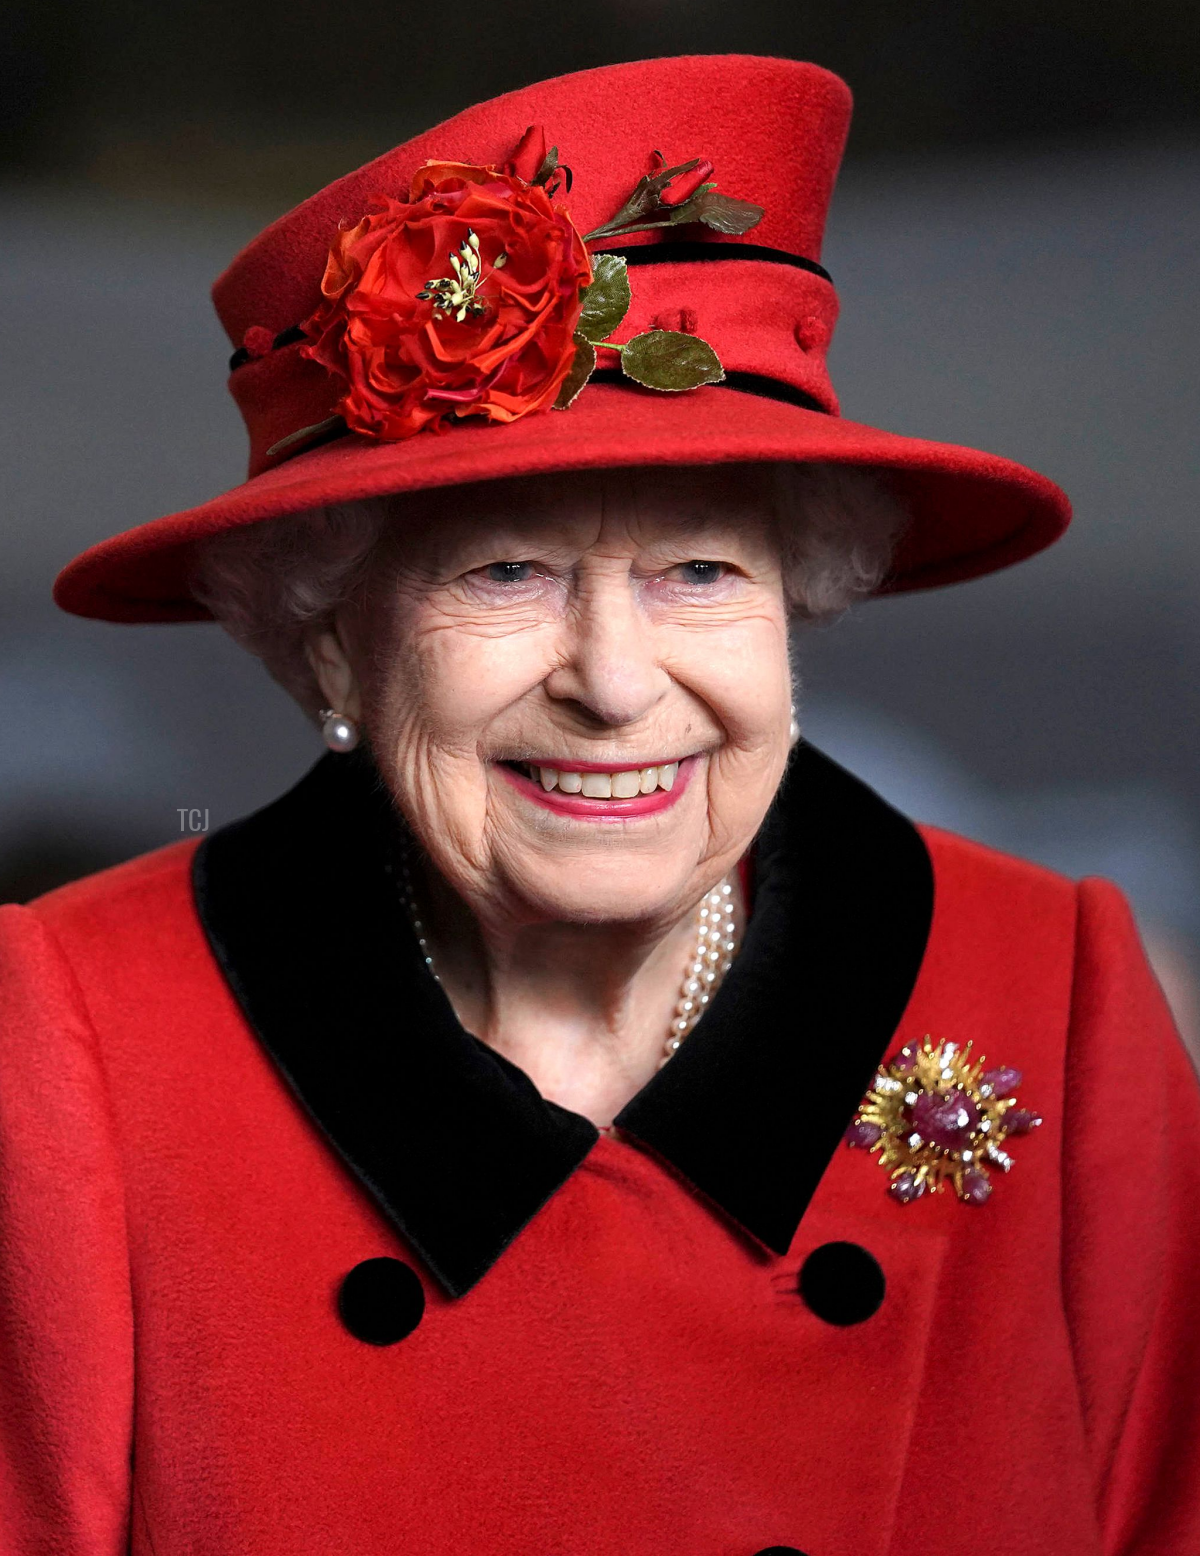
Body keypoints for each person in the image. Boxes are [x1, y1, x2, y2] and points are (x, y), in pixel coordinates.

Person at [2, 54, 1197, 1556]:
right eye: (506, 572)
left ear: (802, 601)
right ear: (330, 640)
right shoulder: (74, 1039)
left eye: (701, 569)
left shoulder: (1057, 992)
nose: (617, 684)